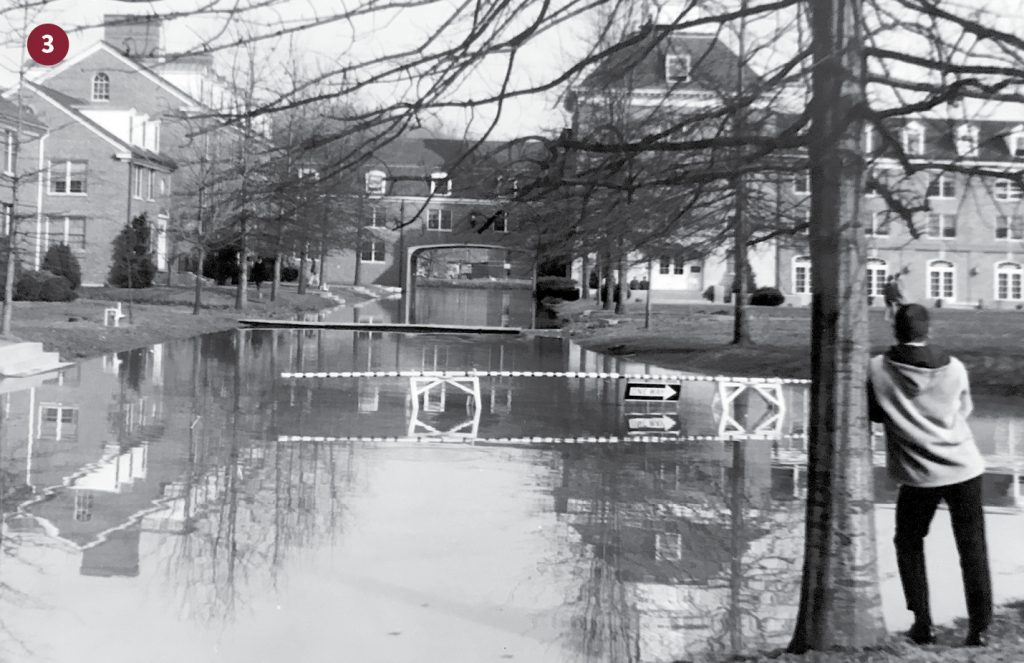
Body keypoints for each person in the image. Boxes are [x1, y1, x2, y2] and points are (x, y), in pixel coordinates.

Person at [867, 304, 991, 647]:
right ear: (928, 330)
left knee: (908, 541)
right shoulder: (955, 367)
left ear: (896, 330)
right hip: (964, 465)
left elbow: (876, 413)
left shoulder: (878, 368)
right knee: (972, 546)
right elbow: (964, 409)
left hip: (919, 473)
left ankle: (922, 623)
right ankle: (980, 628)